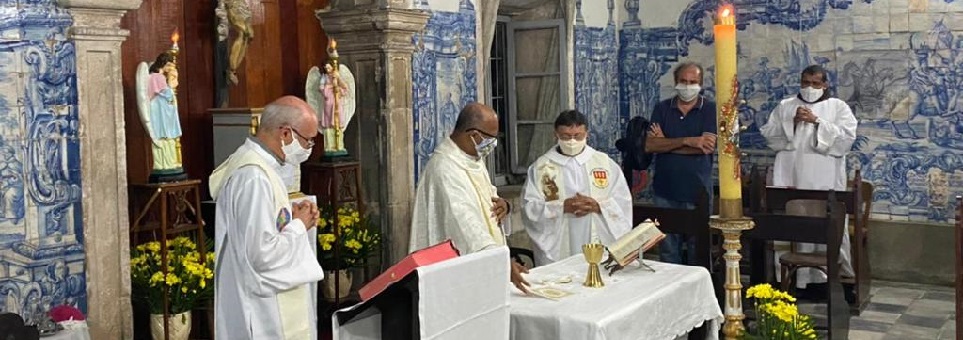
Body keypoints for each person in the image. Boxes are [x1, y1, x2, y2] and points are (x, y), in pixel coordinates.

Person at [209, 96, 324, 340]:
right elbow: (261, 254)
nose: (310, 148)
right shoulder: (254, 177)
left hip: (261, 303)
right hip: (264, 312)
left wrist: (290, 216)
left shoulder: (256, 166)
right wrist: (299, 225)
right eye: (308, 140)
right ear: (286, 133)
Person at [409, 103, 531, 294]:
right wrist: (501, 263)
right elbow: (465, 223)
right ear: (474, 134)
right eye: (490, 138)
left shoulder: (472, 158)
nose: (493, 144)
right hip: (458, 272)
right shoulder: (445, 169)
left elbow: (486, 195)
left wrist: (504, 206)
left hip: (485, 260)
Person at [760, 65, 858, 289]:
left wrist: (817, 122)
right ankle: (790, 279)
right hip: (790, 176)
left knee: (826, 223)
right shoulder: (786, 105)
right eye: (805, 82)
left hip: (824, 178)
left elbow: (846, 139)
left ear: (825, 84)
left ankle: (828, 280)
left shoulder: (838, 107)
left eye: (815, 83)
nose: (810, 88)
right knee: (791, 222)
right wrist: (791, 123)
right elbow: (769, 135)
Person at [521, 110, 632, 265]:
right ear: (556, 134)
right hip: (560, 244)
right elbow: (529, 208)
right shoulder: (541, 167)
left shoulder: (604, 164)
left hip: (596, 235)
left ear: (587, 134)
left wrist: (599, 206)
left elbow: (623, 201)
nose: (572, 141)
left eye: (578, 136)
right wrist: (561, 207)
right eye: (566, 136)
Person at [645, 61, 717, 265]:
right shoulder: (662, 108)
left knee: (698, 249)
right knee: (668, 249)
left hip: (697, 190)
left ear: (701, 84)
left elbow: (706, 147)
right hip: (665, 189)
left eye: (693, 82)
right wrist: (688, 141)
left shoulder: (710, 109)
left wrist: (667, 143)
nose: (688, 86)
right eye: (683, 81)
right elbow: (650, 145)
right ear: (676, 82)